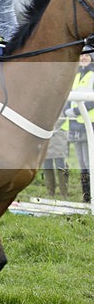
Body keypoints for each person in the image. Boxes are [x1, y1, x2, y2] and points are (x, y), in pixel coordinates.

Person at [62, 51, 94, 202]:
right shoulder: (76, 75)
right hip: (76, 125)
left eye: (87, 55)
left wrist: (74, 111)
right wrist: (67, 110)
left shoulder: (92, 74)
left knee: (90, 162)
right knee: (82, 163)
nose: (83, 57)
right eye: (81, 55)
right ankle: (86, 197)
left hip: (90, 124)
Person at [43, 118, 69, 200]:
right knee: (47, 164)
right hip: (46, 135)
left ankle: (64, 194)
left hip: (59, 135)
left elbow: (64, 115)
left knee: (60, 165)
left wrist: (51, 127)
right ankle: (50, 193)